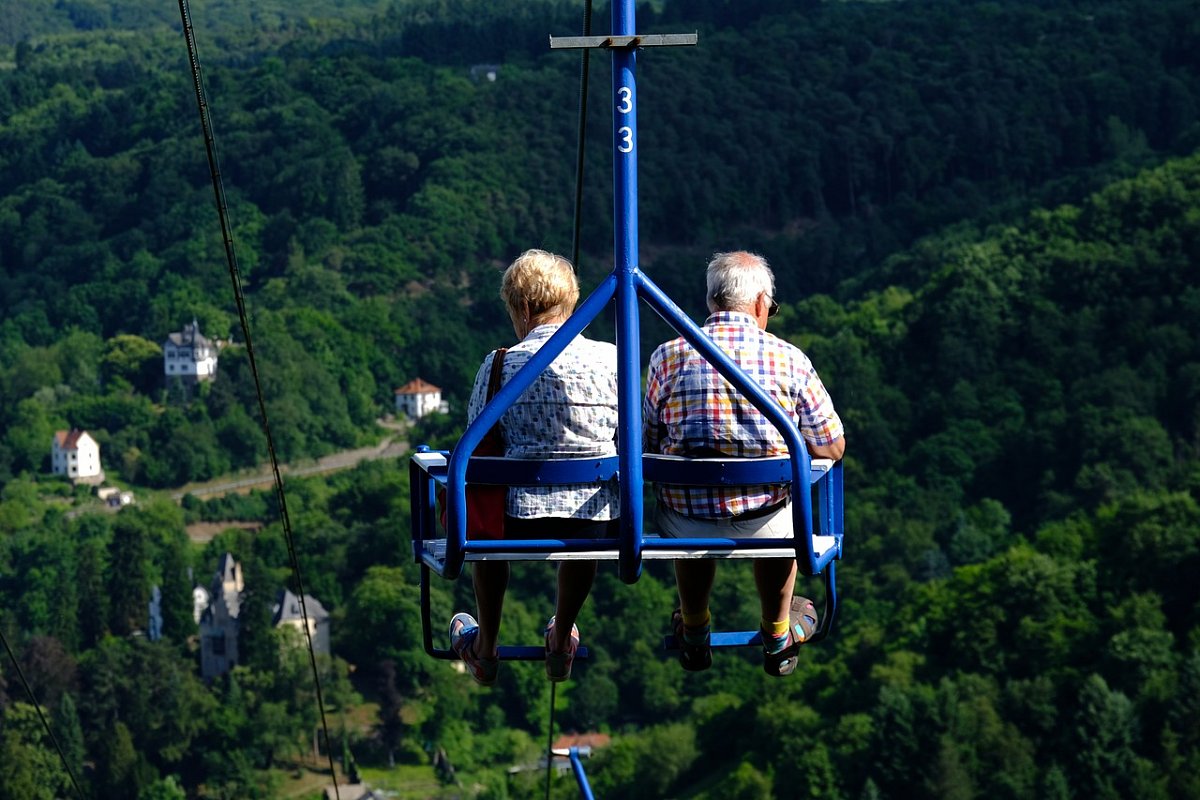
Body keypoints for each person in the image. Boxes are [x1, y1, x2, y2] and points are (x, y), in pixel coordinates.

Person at [643, 251, 846, 677]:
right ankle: (777, 632)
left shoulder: (666, 356)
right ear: (759, 303)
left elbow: (649, 442)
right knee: (784, 512)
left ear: (711, 301)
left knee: (690, 507)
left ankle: (694, 626)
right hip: (766, 519)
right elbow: (832, 447)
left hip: (684, 520)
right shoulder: (790, 359)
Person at [449, 249, 619, 685]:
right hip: (596, 519)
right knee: (584, 526)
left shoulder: (499, 365)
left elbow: (475, 439)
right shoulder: (611, 359)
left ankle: (486, 645)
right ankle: (561, 637)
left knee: (484, 518)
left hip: (517, 521)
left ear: (523, 308)